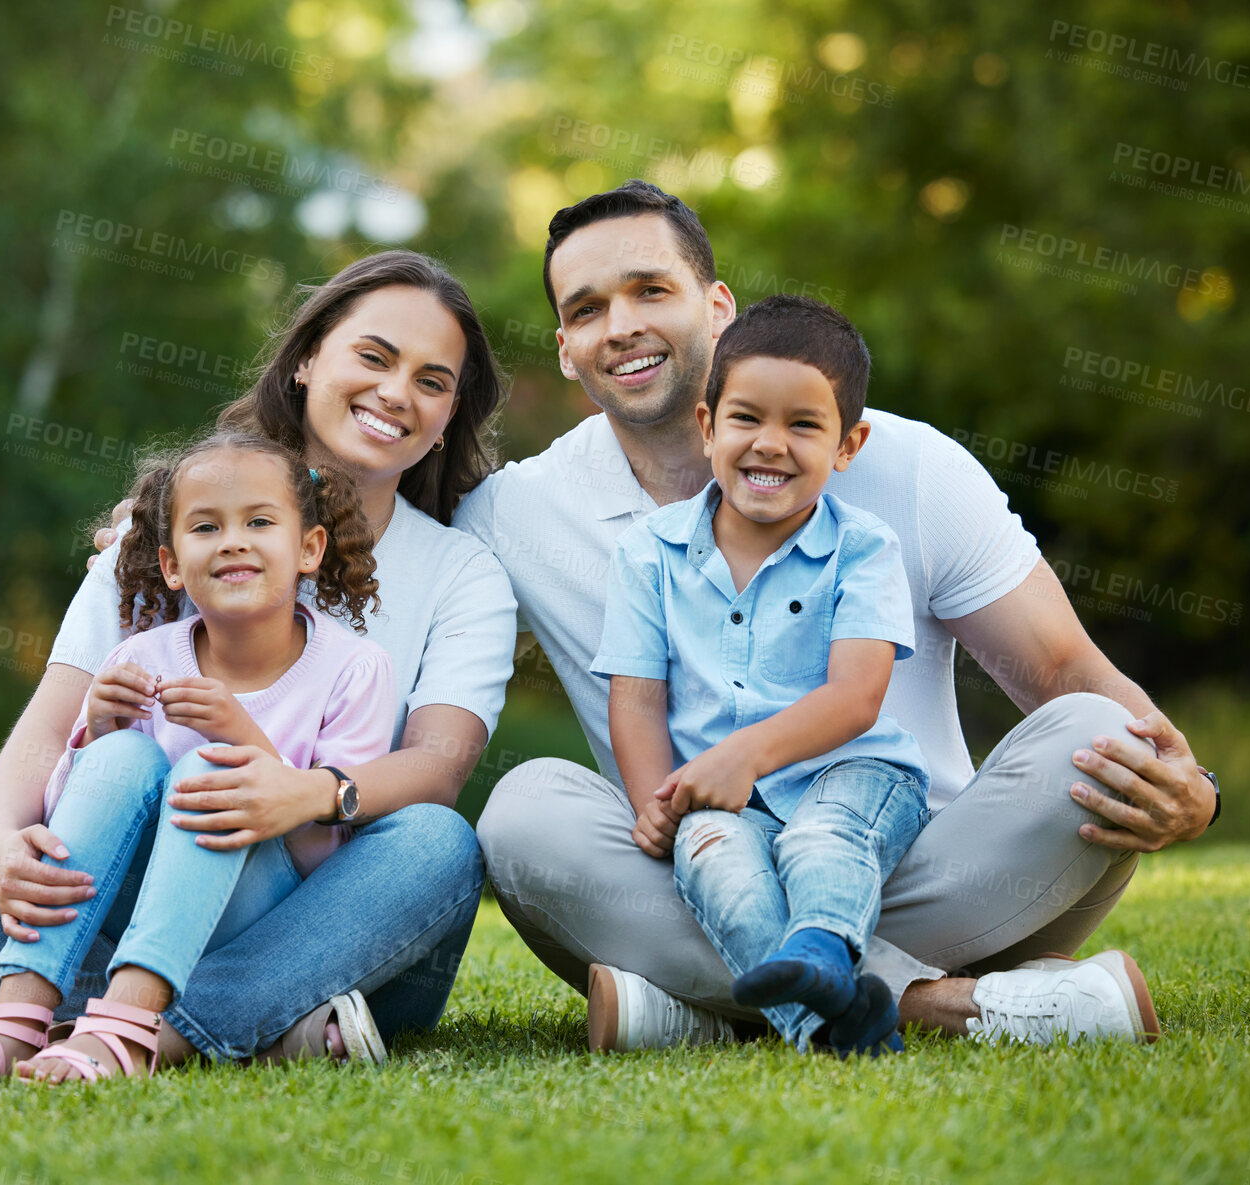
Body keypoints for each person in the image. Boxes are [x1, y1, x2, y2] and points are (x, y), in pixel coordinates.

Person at [464, 181, 1202, 1053]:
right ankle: (951, 1007)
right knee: (521, 813)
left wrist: (1196, 791)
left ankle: (700, 1005)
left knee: (1096, 728)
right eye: (587, 308)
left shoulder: (906, 465)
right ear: (563, 348)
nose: (619, 324)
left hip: (928, 869)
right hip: (701, 870)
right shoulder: (520, 513)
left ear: (717, 305)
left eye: (648, 290)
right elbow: (383, 581)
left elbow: (1058, 669)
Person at [0, 251, 517, 1071]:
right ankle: (216, 1028)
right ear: (309, 357)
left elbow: (437, 765)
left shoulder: (463, 572)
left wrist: (306, 792)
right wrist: (6, 845)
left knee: (436, 843)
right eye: (374, 356)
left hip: (322, 916)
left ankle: (88, 1025)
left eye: (432, 379)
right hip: (132, 880)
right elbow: (49, 729)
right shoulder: (161, 538)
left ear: (450, 409)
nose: (396, 393)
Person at [0, 432, 396, 1081]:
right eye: (206, 526)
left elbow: (323, 846)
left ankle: (124, 1028)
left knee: (215, 770)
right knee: (123, 752)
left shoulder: (354, 668)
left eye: (259, 522)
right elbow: (80, 825)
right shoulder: (140, 658)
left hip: (262, 918)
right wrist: (99, 730)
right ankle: (18, 1017)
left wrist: (242, 736)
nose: (234, 540)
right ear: (172, 564)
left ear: (309, 547)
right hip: (138, 907)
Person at [596, 295, 930, 1058]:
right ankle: (838, 1024)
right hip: (721, 799)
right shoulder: (650, 552)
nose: (769, 445)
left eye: (803, 426)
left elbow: (856, 696)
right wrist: (661, 803)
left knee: (820, 840)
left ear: (848, 445)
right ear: (708, 426)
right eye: (746, 418)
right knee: (716, 860)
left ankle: (818, 950)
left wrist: (742, 756)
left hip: (854, 774)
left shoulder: (863, 548)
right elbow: (638, 700)